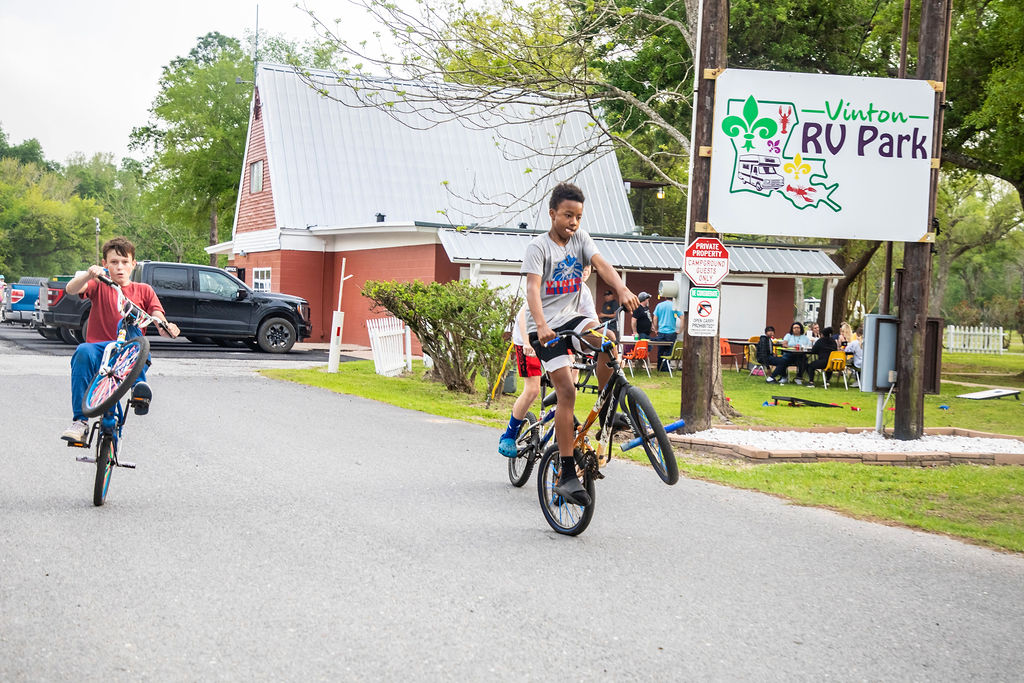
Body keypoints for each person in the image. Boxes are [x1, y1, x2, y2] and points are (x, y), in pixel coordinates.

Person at [518, 182, 638, 507]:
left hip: (573, 319)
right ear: (553, 213)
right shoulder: (538, 248)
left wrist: (622, 289)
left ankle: (607, 412)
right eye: (568, 215)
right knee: (567, 392)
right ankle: (568, 473)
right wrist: (541, 325)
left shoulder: (581, 240)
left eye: (578, 217)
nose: (573, 222)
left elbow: (602, 265)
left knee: (608, 341)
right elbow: (532, 289)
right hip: (543, 329)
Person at [60, 237, 180, 443]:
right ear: (105, 264)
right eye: (114, 262)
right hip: (100, 351)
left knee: (132, 322)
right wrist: (89, 274)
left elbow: (157, 314)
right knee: (82, 351)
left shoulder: (144, 290)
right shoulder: (99, 284)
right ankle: (80, 423)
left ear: (133, 264)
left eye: (125, 262)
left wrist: (165, 326)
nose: (119, 267)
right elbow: (71, 289)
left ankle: (139, 389)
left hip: (131, 353)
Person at [497, 266, 596, 457]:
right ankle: (509, 434)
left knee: (571, 381)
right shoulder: (552, 285)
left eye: (587, 268)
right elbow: (525, 314)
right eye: (579, 268)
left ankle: (563, 421)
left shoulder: (584, 291)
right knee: (532, 389)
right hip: (529, 336)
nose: (583, 272)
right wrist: (527, 343)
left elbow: (592, 321)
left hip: (557, 335)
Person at [651, 294, 681, 371]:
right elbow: (683, 318)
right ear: (673, 298)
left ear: (665, 297)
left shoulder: (659, 305)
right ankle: (667, 368)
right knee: (669, 351)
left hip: (661, 332)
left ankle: (659, 367)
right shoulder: (675, 306)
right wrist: (680, 330)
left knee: (660, 350)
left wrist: (656, 329)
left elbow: (655, 318)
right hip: (671, 332)